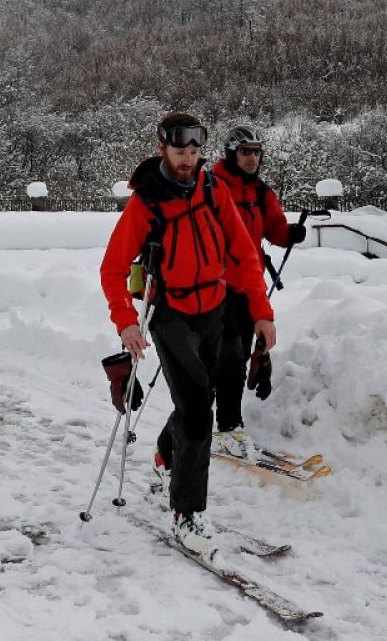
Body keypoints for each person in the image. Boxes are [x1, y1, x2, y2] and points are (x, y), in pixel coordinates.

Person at [99, 113, 276, 558]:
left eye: (196, 152)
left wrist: (261, 312)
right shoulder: (146, 204)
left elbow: (244, 252)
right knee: (198, 408)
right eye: (181, 152)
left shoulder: (213, 189)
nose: (189, 160)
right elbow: (113, 269)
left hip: (214, 306)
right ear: (163, 148)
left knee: (201, 396)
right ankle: (187, 513)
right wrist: (125, 320)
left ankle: (164, 457)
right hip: (171, 313)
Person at [207, 125, 306, 461]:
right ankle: (227, 426)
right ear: (231, 153)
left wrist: (290, 233)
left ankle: (221, 424)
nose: (252, 158)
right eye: (245, 152)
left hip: (249, 286)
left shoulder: (261, 192)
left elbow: (273, 228)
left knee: (236, 355)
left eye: (257, 152)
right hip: (215, 286)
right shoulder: (212, 186)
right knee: (230, 356)